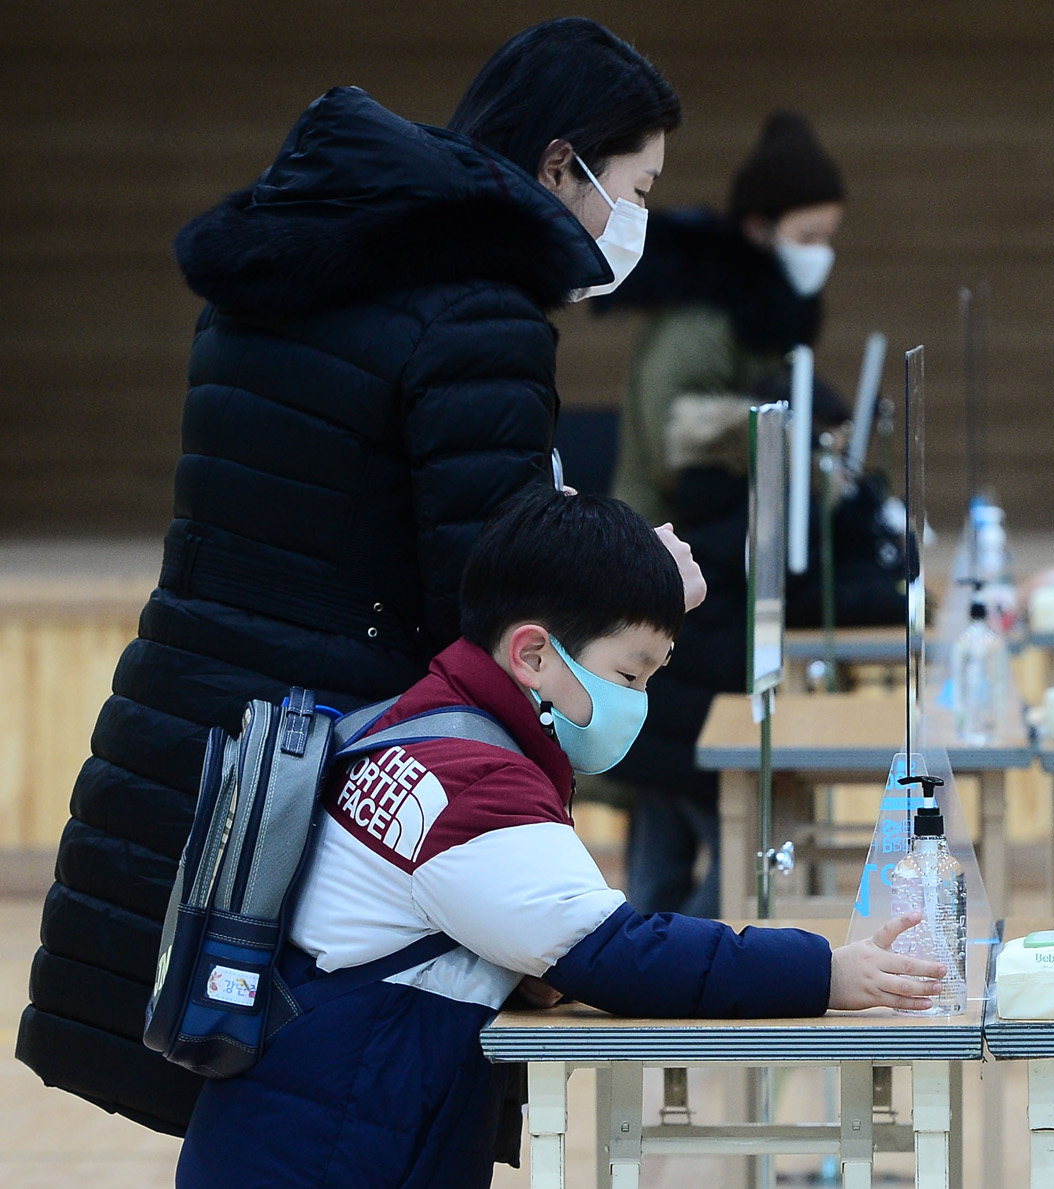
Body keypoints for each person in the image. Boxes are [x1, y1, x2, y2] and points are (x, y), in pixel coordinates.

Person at [16, 18, 686, 1134]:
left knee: (239, 1104)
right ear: (562, 165)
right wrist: (632, 572)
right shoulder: (477, 310)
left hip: (195, 737)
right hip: (329, 766)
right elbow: (483, 595)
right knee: (326, 1118)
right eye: (640, 184)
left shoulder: (289, 264)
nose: (642, 219)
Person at [175, 490, 943, 1188]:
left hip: (286, 1131)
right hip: (331, 1154)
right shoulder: (475, 785)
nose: (637, 700)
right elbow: (620, 952)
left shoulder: (409, 724)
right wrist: (824, 973)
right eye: (631, 674)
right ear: (533, 655)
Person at [609, 371, 907, 916]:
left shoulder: (709, 489)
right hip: (706, 719)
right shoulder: (767, 509)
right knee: (737, 861)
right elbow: (812, 593)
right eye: (833, 449)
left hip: (661, 711)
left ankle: (641, 965)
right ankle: (680, 958)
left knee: (657, 869)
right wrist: (896, 587)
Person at [600, 109, 846, 526]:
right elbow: (673, 452)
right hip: (661, 546)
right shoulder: (700, 319)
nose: (821, 252)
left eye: (828, 237)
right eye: (808, 236)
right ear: (757, 228)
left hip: (724, 541)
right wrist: (792, 444)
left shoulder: (769, 316)